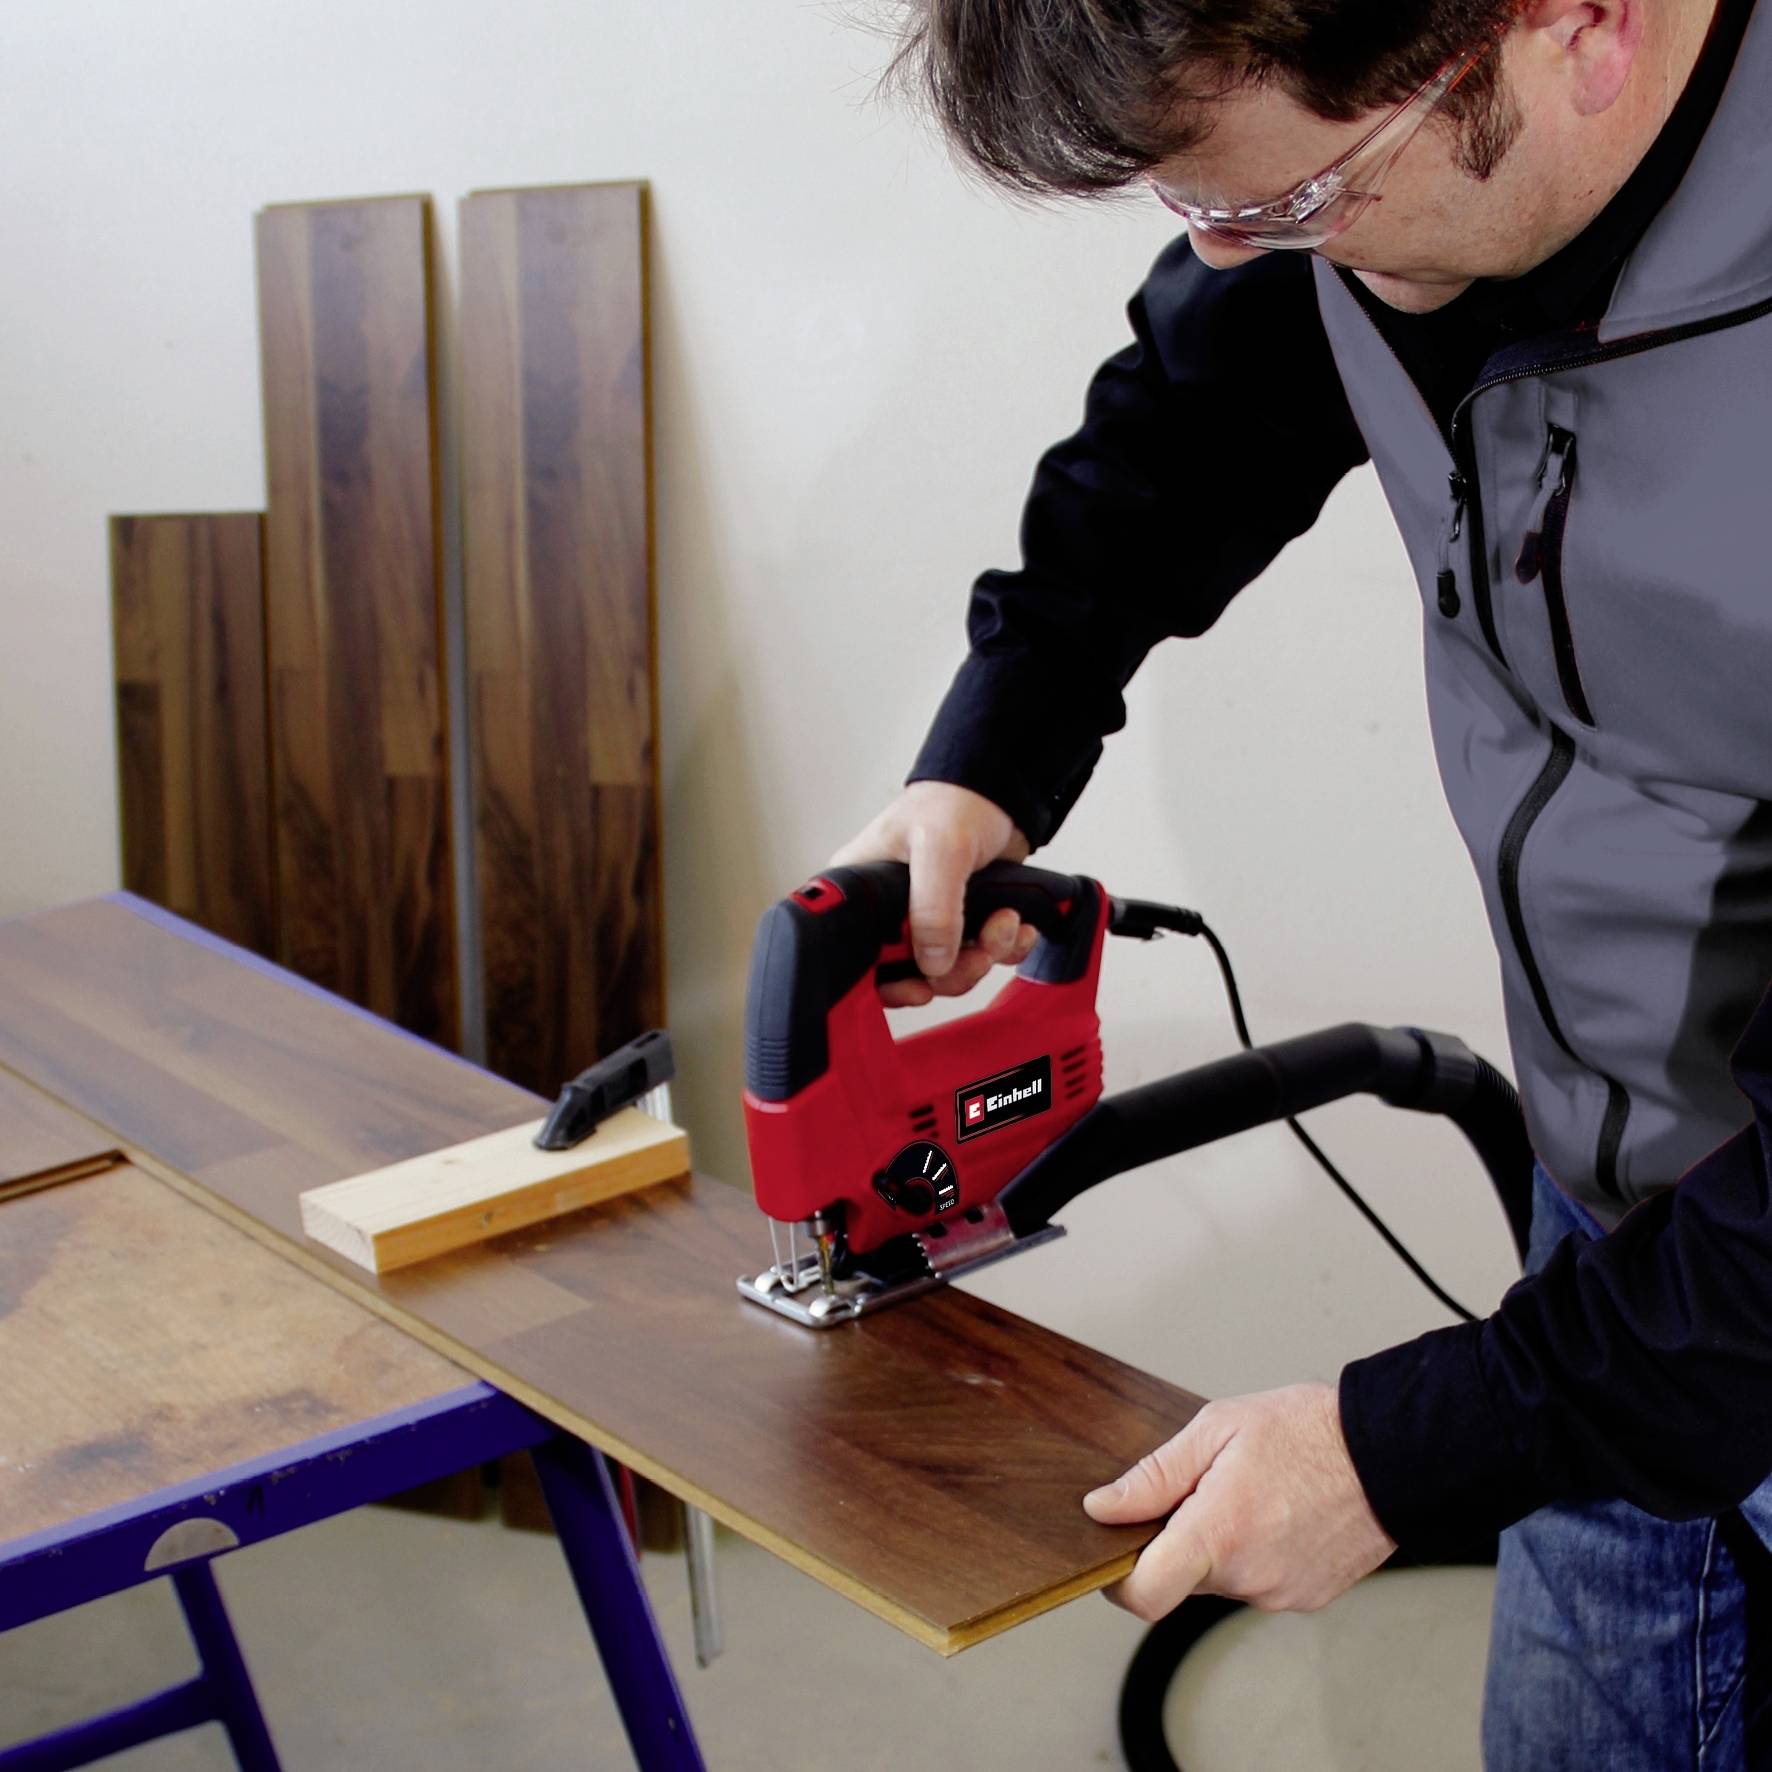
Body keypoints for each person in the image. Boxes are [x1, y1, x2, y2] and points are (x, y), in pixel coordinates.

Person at [828, 0, 1772, 1764]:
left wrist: (1407, 1447)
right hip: (1617, 1240)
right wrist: (991, 751)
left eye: (1290, 203)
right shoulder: (1396, 160)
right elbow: (1203, 401)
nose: (1240, 256)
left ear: (1578, 24)